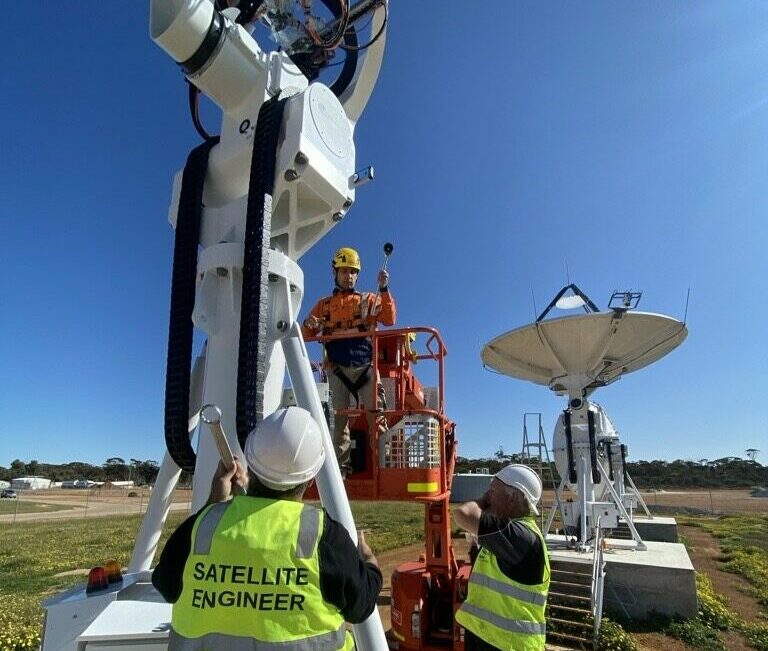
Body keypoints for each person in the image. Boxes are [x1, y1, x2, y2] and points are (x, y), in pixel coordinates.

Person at [153, 407, 382, 650]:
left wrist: (213, 503)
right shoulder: (324, 536)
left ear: (250, 465)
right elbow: (360, 607)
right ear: (311, 478)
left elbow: (165, 585)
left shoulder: (200, 528)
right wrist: (370, 565)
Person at [301, 247, 396, 477]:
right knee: (338, 423)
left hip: (366, 368)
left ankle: (386, 467)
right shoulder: (323, 306)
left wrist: (384, 288)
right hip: (336, 370)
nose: (348, 276)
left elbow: (389, 319)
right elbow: (305, 335)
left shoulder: (369, 299)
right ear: (335, 273)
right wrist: (310, 324)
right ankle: (341, 469)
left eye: (353, 272)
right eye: (344, 271)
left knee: (377, 417)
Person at [453, 464, 550, 651]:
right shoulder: (509, 533)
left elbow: (463, 513)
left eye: (492, 490)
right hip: (489, 640)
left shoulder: (520, 536)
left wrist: (482, 501)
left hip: (510, 645)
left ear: (512, 497)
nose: (488, 495)